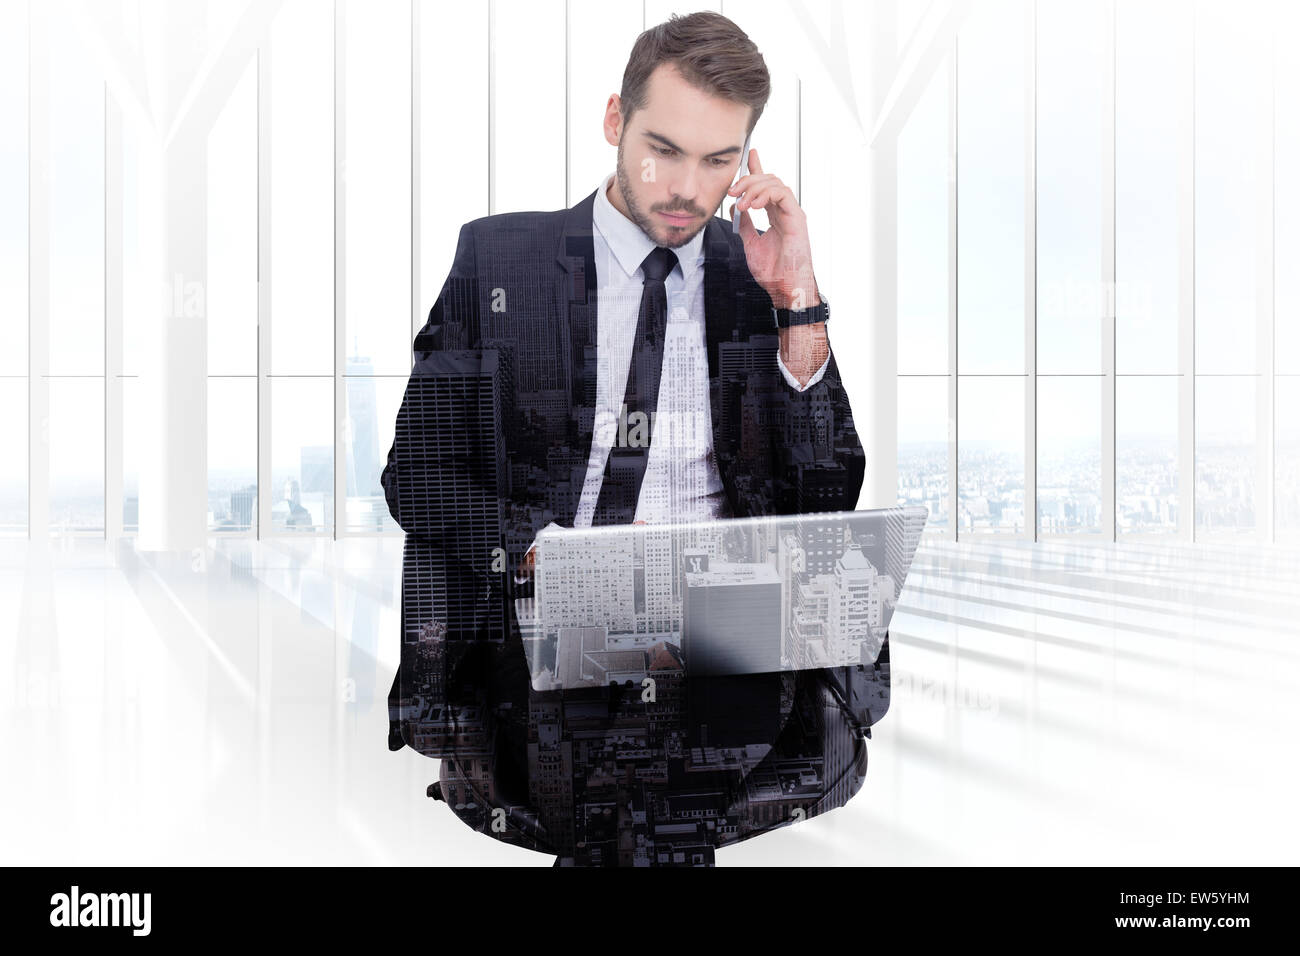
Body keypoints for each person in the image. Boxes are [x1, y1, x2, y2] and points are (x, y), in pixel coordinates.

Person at [383, 11, 869, 866]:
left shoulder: (755, 281)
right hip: (544, 612)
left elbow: (827, 495)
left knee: (631, 775)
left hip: (722, 627)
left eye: (719, 160)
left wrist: (799, 303)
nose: (687, 186)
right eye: (665, 149)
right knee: (636, 777)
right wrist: (540, 552)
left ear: (747, 162)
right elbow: (415, 478)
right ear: (616, 122)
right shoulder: (500, 263)